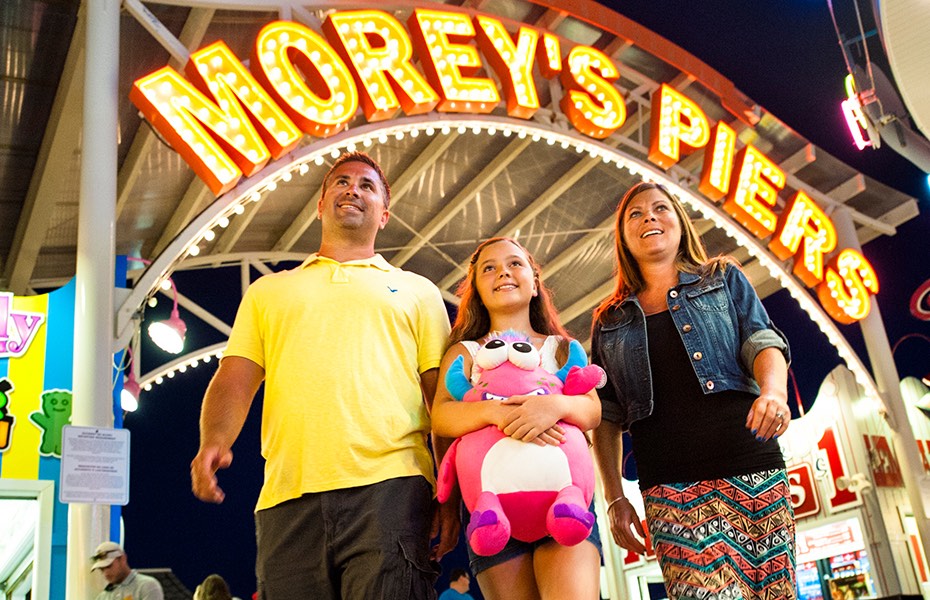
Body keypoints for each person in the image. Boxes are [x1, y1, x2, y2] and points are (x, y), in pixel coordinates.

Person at [190, 152, 456, 600]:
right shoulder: (268, 293)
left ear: (384, 215)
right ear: (320, 204)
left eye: (368, 186)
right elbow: (235, 377)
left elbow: (443, 400)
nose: (353, 189)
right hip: (286, 498)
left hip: (392, 488)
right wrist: (213, 440)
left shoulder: (418, 291)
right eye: (342, 182)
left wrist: (451, 492)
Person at [590, 181, 796, 599]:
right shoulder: (609, 320)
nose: (649, 216)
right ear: (623, 238)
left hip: (752, 470)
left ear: (680, 224)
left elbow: (763, 340)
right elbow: (605, 417)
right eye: (636, 213)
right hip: (671, 488)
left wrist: (773, 392)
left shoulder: (723, 278)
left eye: (660, 208)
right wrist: (614, 498)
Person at [431, 237, 602, 600]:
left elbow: (592, 410)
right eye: (488, 268)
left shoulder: (561, 347)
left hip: (565, 503)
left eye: (514, 264)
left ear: (535, 281)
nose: (503, 273)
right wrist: (496, 412)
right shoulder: (467, 353)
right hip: (494, 514)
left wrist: (555, 407)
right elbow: (442, 417)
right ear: (476, 288)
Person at [90, 541, 164, 600]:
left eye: (109, 566)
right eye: (101, 570)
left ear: (122, 559)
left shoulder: (146, 586)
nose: (106, 573)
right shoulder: (102, 597)